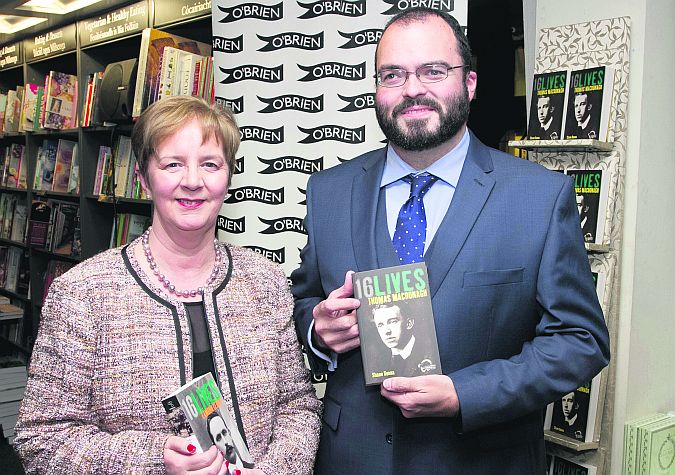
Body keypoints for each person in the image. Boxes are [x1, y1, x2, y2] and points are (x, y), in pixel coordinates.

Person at [291, 7, 609, 474]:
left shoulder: (538, 197)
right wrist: (318, 331)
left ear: (470, 83)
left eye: (433, 71)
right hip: (351, 459)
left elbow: (581, 341)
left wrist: (466, 394)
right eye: (392, 75)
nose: (413, 89)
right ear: (377, 89)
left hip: (480, 459)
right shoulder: (328, 193)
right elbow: (304, 301)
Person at [15, 96, 321, 475]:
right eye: (173, 164)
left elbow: (298, 407)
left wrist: (274, 471)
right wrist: (154, 458)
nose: (192, 182)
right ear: (144, 178)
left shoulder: (266, 281)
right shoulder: (83, 294)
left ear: (228, 178)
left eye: (210, 164)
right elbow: (41, 440)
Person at [371, 302, 437, 377]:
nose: (387, 331)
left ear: (409, 323)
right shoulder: (377, 361)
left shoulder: (430, 353)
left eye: (393, 322)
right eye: (380, 325)